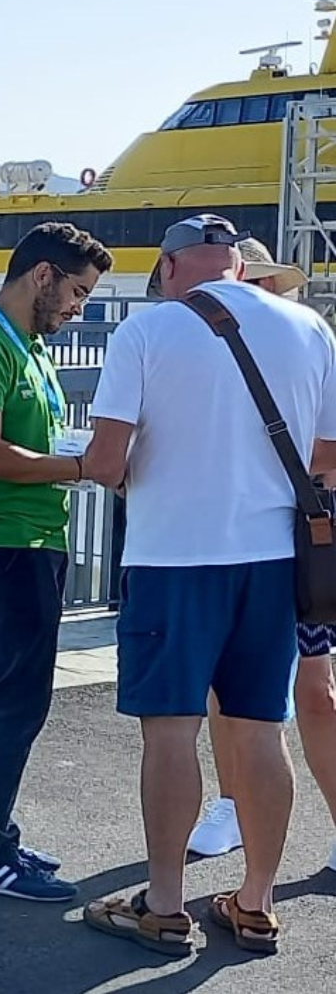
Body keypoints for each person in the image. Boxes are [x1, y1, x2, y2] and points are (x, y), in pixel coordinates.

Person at [80, 215, 336, 956]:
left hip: (171, 559)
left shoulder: (146, 331)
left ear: (168, 268)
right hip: (273, 560)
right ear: (238, 265)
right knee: (260, 729)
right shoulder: (309, 328)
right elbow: (325, 455)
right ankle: (255, 902)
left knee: (170, 731)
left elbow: (106, 462)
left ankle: (164, 905)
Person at [0, 221, 112, 902]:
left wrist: (73, 461)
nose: (78, 308)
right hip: (0, 539)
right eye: (77, 292)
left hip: (22, 536)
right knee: (14, 698)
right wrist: (84, 467)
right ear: (42, 275)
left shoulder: (23, 344)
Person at [187, 235, 335, 868]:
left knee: (315, 687)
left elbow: (328, 455)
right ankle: (232, 805)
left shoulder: (309, 343)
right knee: (232, 684)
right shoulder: (206, 350)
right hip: (241, 535)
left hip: (300, 536)